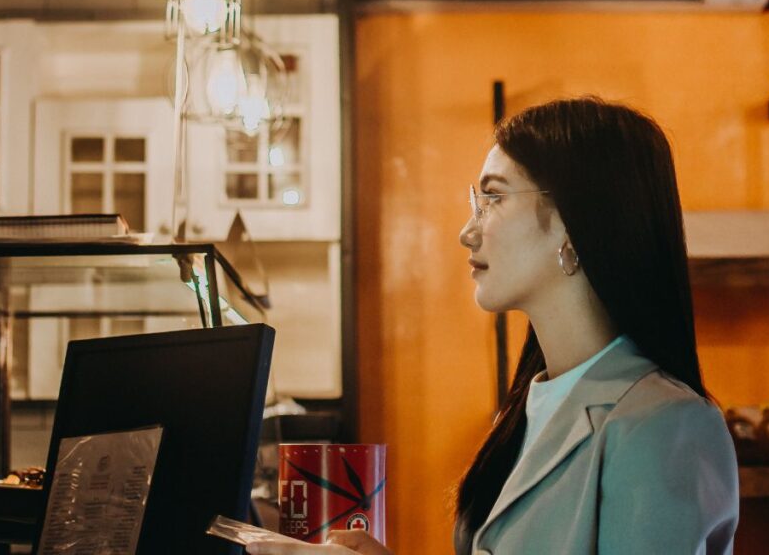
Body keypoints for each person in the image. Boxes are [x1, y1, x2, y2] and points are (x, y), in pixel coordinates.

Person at [248, 97, 739, 555]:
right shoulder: (533, 402)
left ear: (572, 223)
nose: (468, 231)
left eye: (494, 199)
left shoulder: (664, 424)